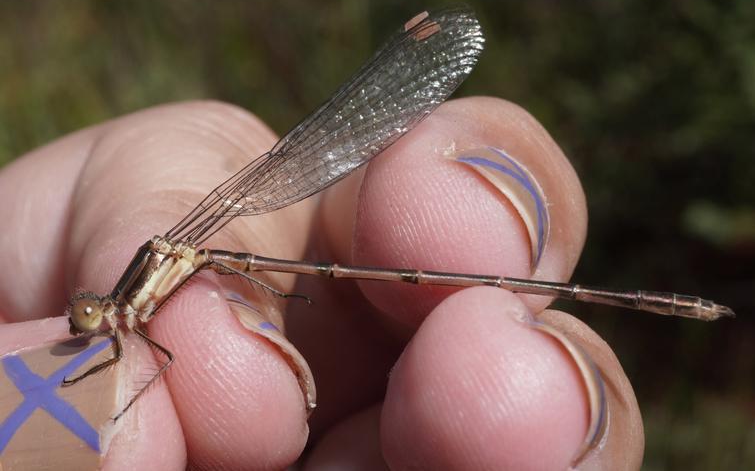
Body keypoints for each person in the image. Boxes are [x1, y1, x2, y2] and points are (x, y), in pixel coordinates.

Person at [0, 97, 643, 469]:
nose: (85, 318)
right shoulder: (126, 307)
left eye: (85, 312)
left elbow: (163, 356)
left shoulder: (139, 287)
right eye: (85, 315)